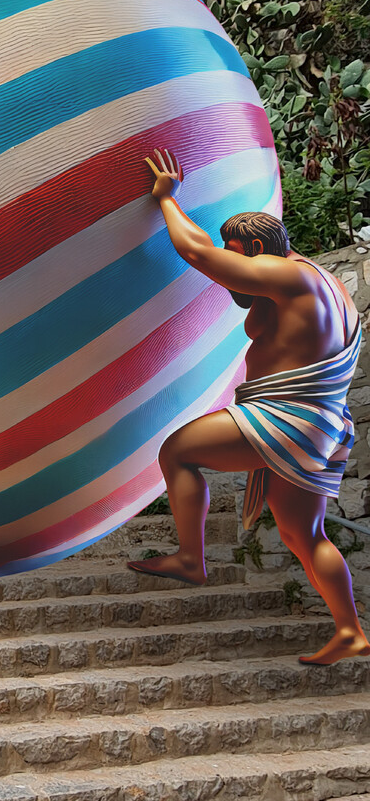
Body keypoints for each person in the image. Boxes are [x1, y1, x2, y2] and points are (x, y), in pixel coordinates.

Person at [130, 147, 367, 666]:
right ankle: (350, 630)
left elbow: (197, 252)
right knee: (302, 533)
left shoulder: (287, 276)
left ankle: (191, 559)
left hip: (287, 417)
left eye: (236, 251)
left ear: (258, 249)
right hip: (323, 425)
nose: (232, 260)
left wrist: (167, 199)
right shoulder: (331, 288)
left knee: (177, 452)